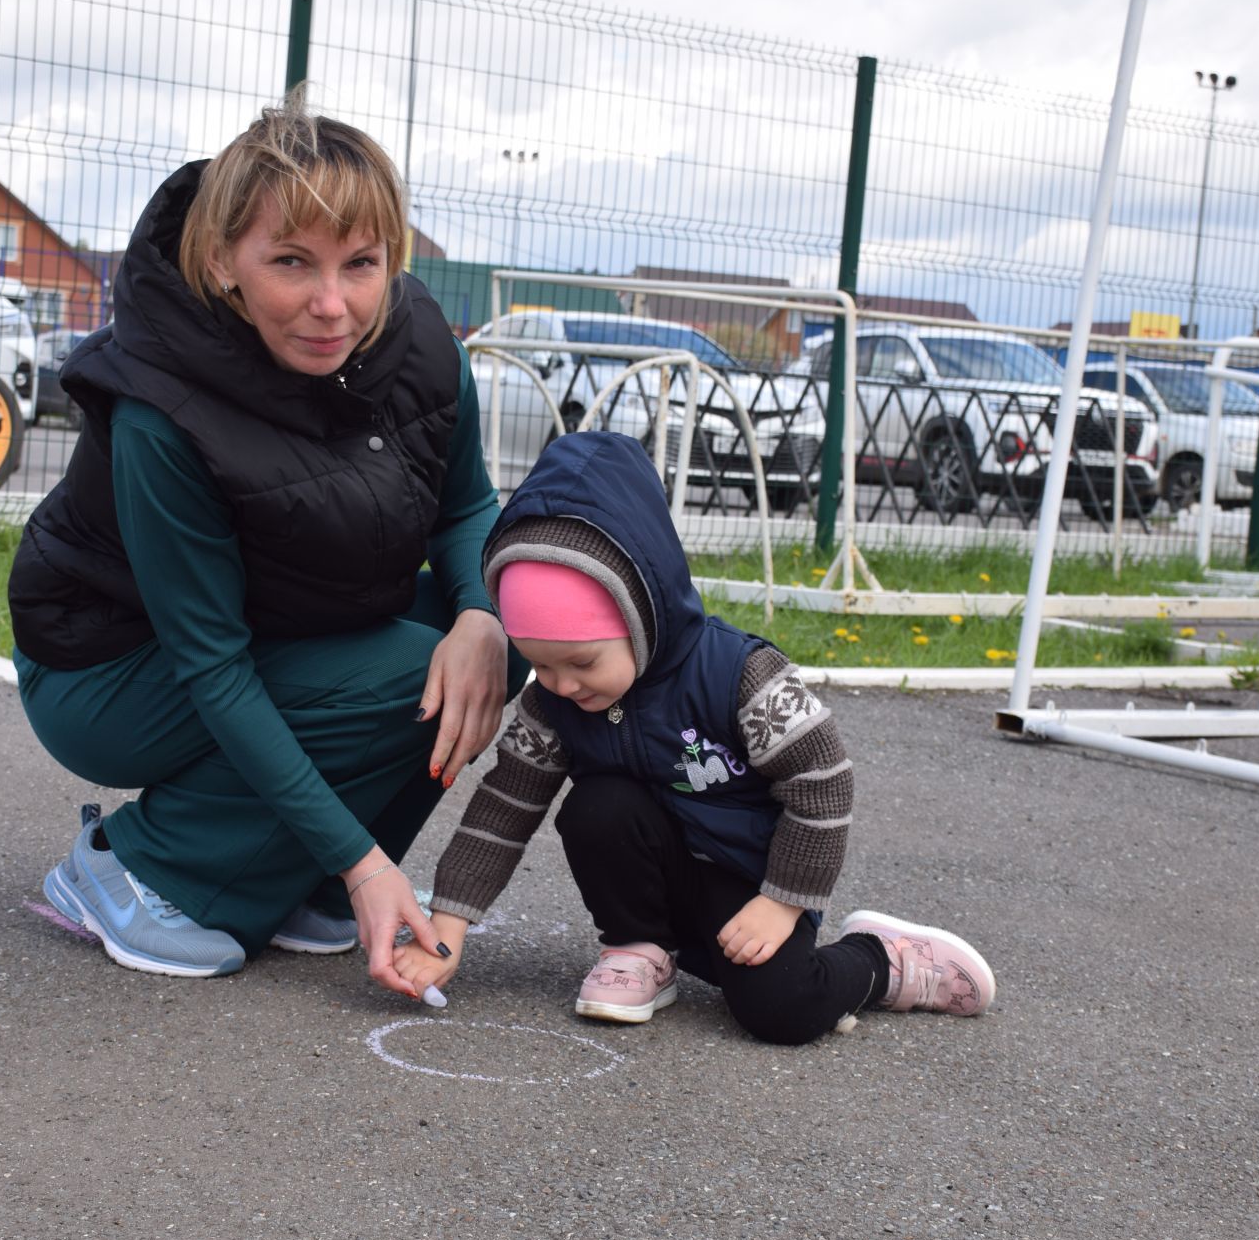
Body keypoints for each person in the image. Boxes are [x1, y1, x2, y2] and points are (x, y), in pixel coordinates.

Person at [7, 90, 521, 995]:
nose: (332, 304)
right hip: (106, 668)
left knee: (489, 644)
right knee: (409, 672)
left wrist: (482, 615)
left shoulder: (425, 343)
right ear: (222, 261)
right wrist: (370, 865)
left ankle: (296, 877)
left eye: (361, 263)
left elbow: (468, 507)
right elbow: (212, 663)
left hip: (271, 619)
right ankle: (134, 870)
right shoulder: (160, 414)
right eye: (291, 262)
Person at [394, 431, 996, 1045]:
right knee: (598, 806)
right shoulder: (553, 701)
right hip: (660, 880)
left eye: (581, 662)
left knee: (781, 1011)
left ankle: (883, 961)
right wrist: (447, 927)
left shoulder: (739, 677)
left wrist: (784, 901)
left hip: (754, 884)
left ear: (639, 614)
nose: (562, 685)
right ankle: (640, 949)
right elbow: (505, 806)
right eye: (540, 664)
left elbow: (822, 785)